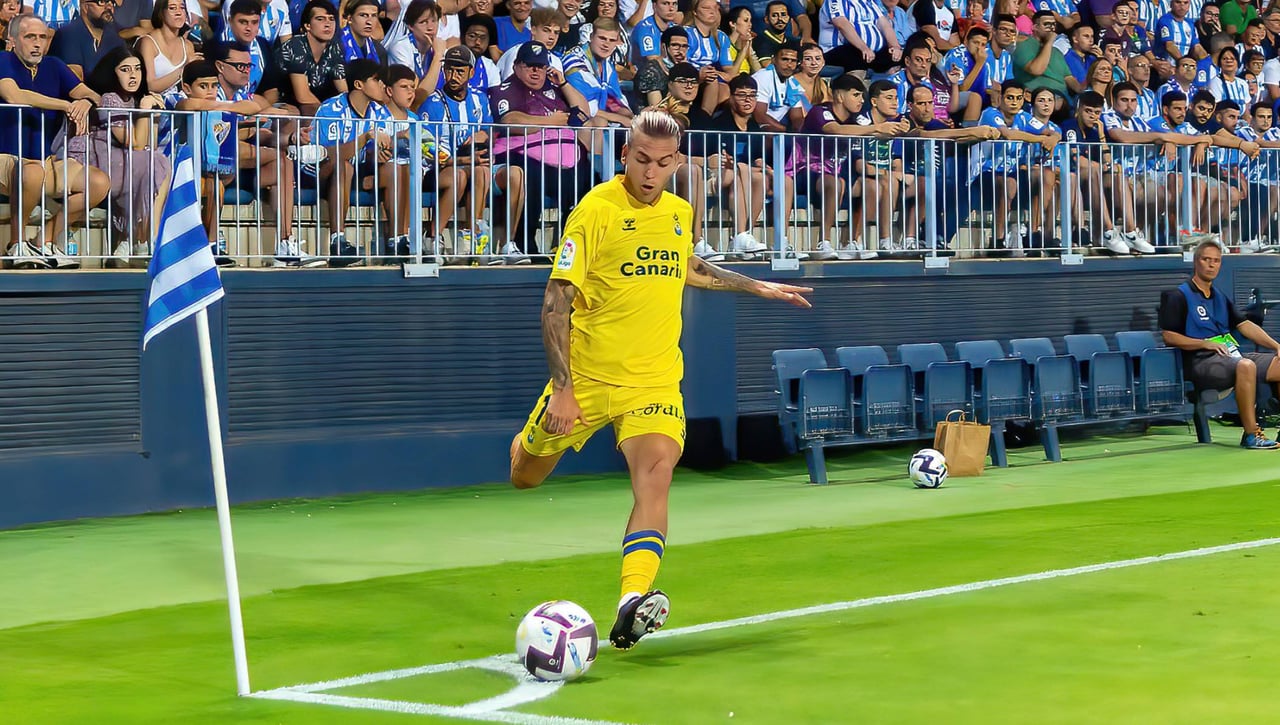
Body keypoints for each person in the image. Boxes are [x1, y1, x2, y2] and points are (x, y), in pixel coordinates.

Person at [508, 108, 813, 652]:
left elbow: (687, 265)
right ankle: (526, 440)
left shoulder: (678, 210)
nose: (651, 172)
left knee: (656, 475)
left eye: (663, 162)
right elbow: (556, 302)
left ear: (677, 162)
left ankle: (631, 600)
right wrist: (563, 390)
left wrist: (756, 286)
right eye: (642, 159)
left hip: (654, 380)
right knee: (525, 476)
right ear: (625, 155)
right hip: (588, 377)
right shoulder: (594, 211)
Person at [0, 14, 108, 268]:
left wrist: (85, 101)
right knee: (32, 172)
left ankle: (44, 240)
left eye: (43, 37)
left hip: (44, 160)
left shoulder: (54, 65)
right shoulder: (3, 59)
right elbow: (14, 96)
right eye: (30, 37)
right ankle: (17, 243)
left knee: (98, 182)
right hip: (5, 158)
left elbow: (92, 95)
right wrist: (66, 105)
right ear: (12, 40)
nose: (38, 43)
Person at [1159, 238, 1280, 448]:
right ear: (1196, 261)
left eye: (1216, 261)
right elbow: (1169, 336)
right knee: (1245, 365)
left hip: (1229, 356)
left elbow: (1244, 325)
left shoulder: (1220, 297)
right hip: (1200, 362)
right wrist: (1204, 344)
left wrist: (1276, 345)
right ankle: (1251, 434)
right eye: (1206, 259)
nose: (1211, 265)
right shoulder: (1178, 296)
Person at [64, 44, 173, 264]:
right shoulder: (110, 98)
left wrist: (153, 114)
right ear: (113, 72)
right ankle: (141, 238)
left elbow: (149, 145)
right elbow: (135, 143)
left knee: (159, 162)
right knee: (155, 163)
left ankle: (141, 237)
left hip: (123, 159)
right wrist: (145, 110)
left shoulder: (137, 99)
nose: (133, 75)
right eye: (125, 69)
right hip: (96, 158)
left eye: (138, 69)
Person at [490, 41, 595, 260]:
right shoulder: (507, 89)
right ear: (517, 66)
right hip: (523, 155)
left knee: (591, 179)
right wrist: (550, 121)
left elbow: (584, 112)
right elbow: (509, 120)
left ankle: (571, 245)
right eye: (529, 66)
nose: (535, 71)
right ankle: (526, 245)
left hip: (564, 159)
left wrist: (563, 83)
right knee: (531, 177)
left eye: (540, 66)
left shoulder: (554, 88)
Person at [419, 45, 522, 263]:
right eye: (449, 70)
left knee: (516, 174)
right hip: (441, 169)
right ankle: (437, 238)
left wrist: (484, 135)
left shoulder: (480, 99)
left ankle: (506, 244)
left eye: (459, 71)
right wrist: (465, 159)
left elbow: (490, 132)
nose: (453, 76)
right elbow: (428, 149)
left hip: (476, 166)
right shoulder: (432, 103)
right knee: (466, 173)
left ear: (471, 73)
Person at [312, 58, 405, 266]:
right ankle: (338, 242)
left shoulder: (381, 113)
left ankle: (396, 242)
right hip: (323, 174)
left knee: (394, 169)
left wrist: (377, 156)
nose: (382, 85)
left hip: (359, 173)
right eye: (376, 80)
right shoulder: (331, 109)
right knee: (344, 167)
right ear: (358, 84)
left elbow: (376, 152)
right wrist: (364, 138)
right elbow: (327, 156)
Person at [276, 0, 348, 114]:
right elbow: (303, 96)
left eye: (331, 19)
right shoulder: (296, 46)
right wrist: (328, 114)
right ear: (307, 26)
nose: (328, 24)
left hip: (314, 102)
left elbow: (343, 90)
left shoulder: (334, 47)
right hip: (282, 103)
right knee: (309, 109)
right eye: (320, 19)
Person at [819, 0, 904, 73]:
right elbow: (842, 24)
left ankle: (890, 84)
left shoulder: (869, 2)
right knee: (855, 56)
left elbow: (885, 25)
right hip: (838, 49)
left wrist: (895, 46)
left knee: (897, 58)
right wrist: (864, 48)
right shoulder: (834, 1)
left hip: (869, 52)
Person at [386, 0, 446, 101]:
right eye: (423, 22)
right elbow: (419, 94)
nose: (430, 27)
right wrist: (438, 57)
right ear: (411, 26)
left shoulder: (440, 47)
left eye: (434, 21)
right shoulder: (399, 48)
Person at [48, 0, 125, 79]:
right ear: (85, 7)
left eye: (112, 3)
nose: (109, 7)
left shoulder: (115, 38)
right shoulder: (69, 34)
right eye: (102, 2)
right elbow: (74, 80)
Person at [140, 0, 200, 96]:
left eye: (182, 8)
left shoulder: (188, 46)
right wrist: (183, 68)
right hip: (154, 101)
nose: (179, 12)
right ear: (161, 13)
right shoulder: (148, 42)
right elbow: (150, 86)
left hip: (181, 100)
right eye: (172, 8)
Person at [1013, 11, 1071, 99]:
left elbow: (1068, 77)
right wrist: (1050, 41)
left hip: (1063, 98)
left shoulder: (1056, 51)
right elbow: (1036, 70)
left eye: (1053, 24)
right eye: (1047, 24)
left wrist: (1084, 87)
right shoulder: (1023, 44)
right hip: (1039, 97)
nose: (1051, 28)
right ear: (1035, 27)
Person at [750, 39, 804, 131]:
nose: (789, 65)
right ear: (773, 60)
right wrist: (786, 132)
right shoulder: (763, 77)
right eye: (784, 59)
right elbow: (760, 116)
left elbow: (797, 117)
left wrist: (798, 132)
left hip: (780, 128)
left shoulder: (793, 83)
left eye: (793, 61)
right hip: (756, 127)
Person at [634, 24, 686, 106]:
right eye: (675, 46)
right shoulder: (650, 71)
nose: (681, 51)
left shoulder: (683, 69)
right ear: (663, 47)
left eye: (684, 46)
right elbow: (656, 108)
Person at [461, 14, 500, 91]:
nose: (477, 42)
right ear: (462, 37)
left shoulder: (490, 67)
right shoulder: (447, 62)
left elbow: (495, 94)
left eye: (483, 38)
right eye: (472, 36)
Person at [754, 0, 797, 65]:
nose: (780, 19)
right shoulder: (760, 41)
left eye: (783, 15)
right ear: (766, 19)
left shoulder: (792, 42)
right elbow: (767, 66)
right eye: (774, 15)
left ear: (789, 18)